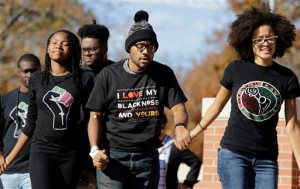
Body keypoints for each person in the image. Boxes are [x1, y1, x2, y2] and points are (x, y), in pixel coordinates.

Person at [190, 3, 300, 189]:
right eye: (259, 39)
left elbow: (292, 125)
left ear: (277, 39)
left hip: (267, 160)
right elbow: (216, 107)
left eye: (270, 38)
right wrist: (192, 133)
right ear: (249, 42)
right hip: (234, 155)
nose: (265, 43)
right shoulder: (236, 69)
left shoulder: (287, 77)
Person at [85, 10, 191, 189]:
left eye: (151, 47)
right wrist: (95, 150)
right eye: (140, 46)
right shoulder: (108, 75)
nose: (146, 52)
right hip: (113, 157)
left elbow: (178, 107)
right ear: (129, 48)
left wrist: (180, 126)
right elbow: (95, 115)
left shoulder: (163, 74)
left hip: (147, 157)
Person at [0, 29, 94, 189]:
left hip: (71, 152)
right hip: (41, 151)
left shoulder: (84, 79)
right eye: (54, 42)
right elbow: (30, 124)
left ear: (73, 49)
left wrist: (94, 151)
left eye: (65, 44)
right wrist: (8, 159)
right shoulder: (37, 79)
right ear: (48, 48)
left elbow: (91, 118)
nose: (58, 46)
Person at [0, 53, 41, 189]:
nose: (29, 75)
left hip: (33, 170)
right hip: (7, 169)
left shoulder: (45, 98)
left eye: (33, 71)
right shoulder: (5, 100)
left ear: (40, 70)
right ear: (18, 72)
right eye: (25, 71)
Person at [158, 114, 201, 189]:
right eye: (156, 128)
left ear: (165, 127)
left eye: (161, 128)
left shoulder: (175, 145)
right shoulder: (147, 145)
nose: (159, 131)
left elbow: (196, 162)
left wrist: (188, 183)